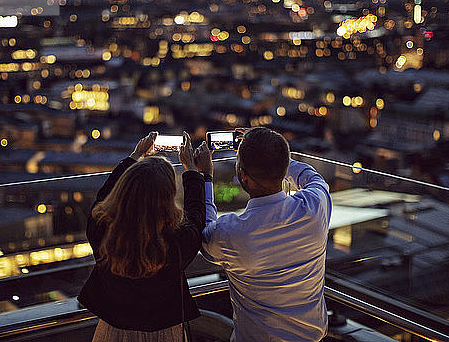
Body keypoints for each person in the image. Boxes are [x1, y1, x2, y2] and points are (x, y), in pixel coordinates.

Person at [201, 127, 333, 342]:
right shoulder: (315, 208)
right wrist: (272, 156)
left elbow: (204, 231)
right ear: (283, 168)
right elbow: (313, 177)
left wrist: (205, 176)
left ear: (243, 176)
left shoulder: (232, 234)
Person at [78, 131, 209, 341]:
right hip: (164, 333)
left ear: (123, 190)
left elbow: (103, 196)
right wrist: (193, 171)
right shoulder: (176, 244)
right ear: (167, 199)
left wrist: (135, 155)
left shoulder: (101, 229)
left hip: (112, 331)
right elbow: (196, 214)